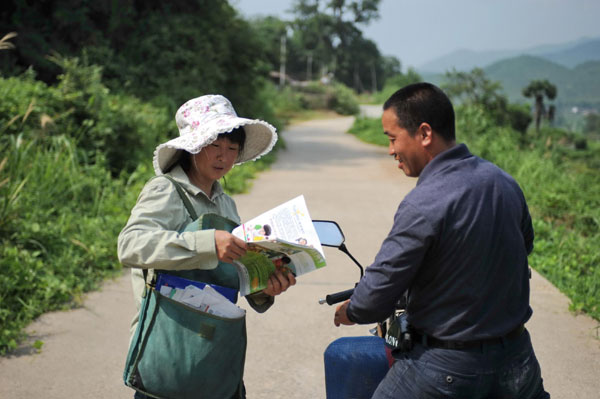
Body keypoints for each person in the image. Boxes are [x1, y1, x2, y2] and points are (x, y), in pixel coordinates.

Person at [333, 83, 549, 398]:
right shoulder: (503, 181)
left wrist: (351, 311)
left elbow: (380, 287)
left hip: (444, 368)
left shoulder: (424, 201)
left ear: (424, 133)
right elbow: (523, 245)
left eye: (393, 139)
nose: (391, 150)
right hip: (517, 360)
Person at [118, 94, 296, 398]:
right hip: (171, 346)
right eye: (214, 146)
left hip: (215, 348)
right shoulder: (165, 190)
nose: (223, 157)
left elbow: (233, 274)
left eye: (231, 149)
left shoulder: (227, 204)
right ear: (193, 146)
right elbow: (130, 245)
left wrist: (265, 288)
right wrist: (207, 244)